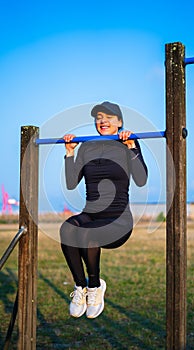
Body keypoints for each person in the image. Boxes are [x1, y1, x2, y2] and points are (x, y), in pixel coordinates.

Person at [60, 101, 148, 319]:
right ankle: (81, 287)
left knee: (87, 233)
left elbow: (142, 179)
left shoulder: (127, 143)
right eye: (99, 117)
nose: (103, 121)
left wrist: (132, 148)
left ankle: (94, 288)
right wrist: (70, 153)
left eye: (109, 117)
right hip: (91, 214)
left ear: (119, 122)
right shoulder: (87, 146)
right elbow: (72, 182)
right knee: (68, 229)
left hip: (118, 220)